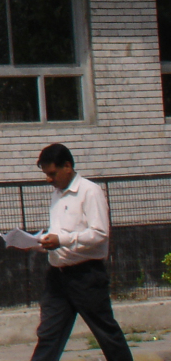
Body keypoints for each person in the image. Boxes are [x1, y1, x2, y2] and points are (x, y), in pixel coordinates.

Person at [29, 143, 133, 361]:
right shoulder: (57, 195)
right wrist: (43, 242)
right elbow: (59, 232)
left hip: (86, 276)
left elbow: (99, 234)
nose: (49, 179)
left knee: (105, 332)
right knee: (49, 334)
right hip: (57, 275)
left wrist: (62, 240)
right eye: (46, 174)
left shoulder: (89, 191)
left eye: (52, 173)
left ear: (67, 166)